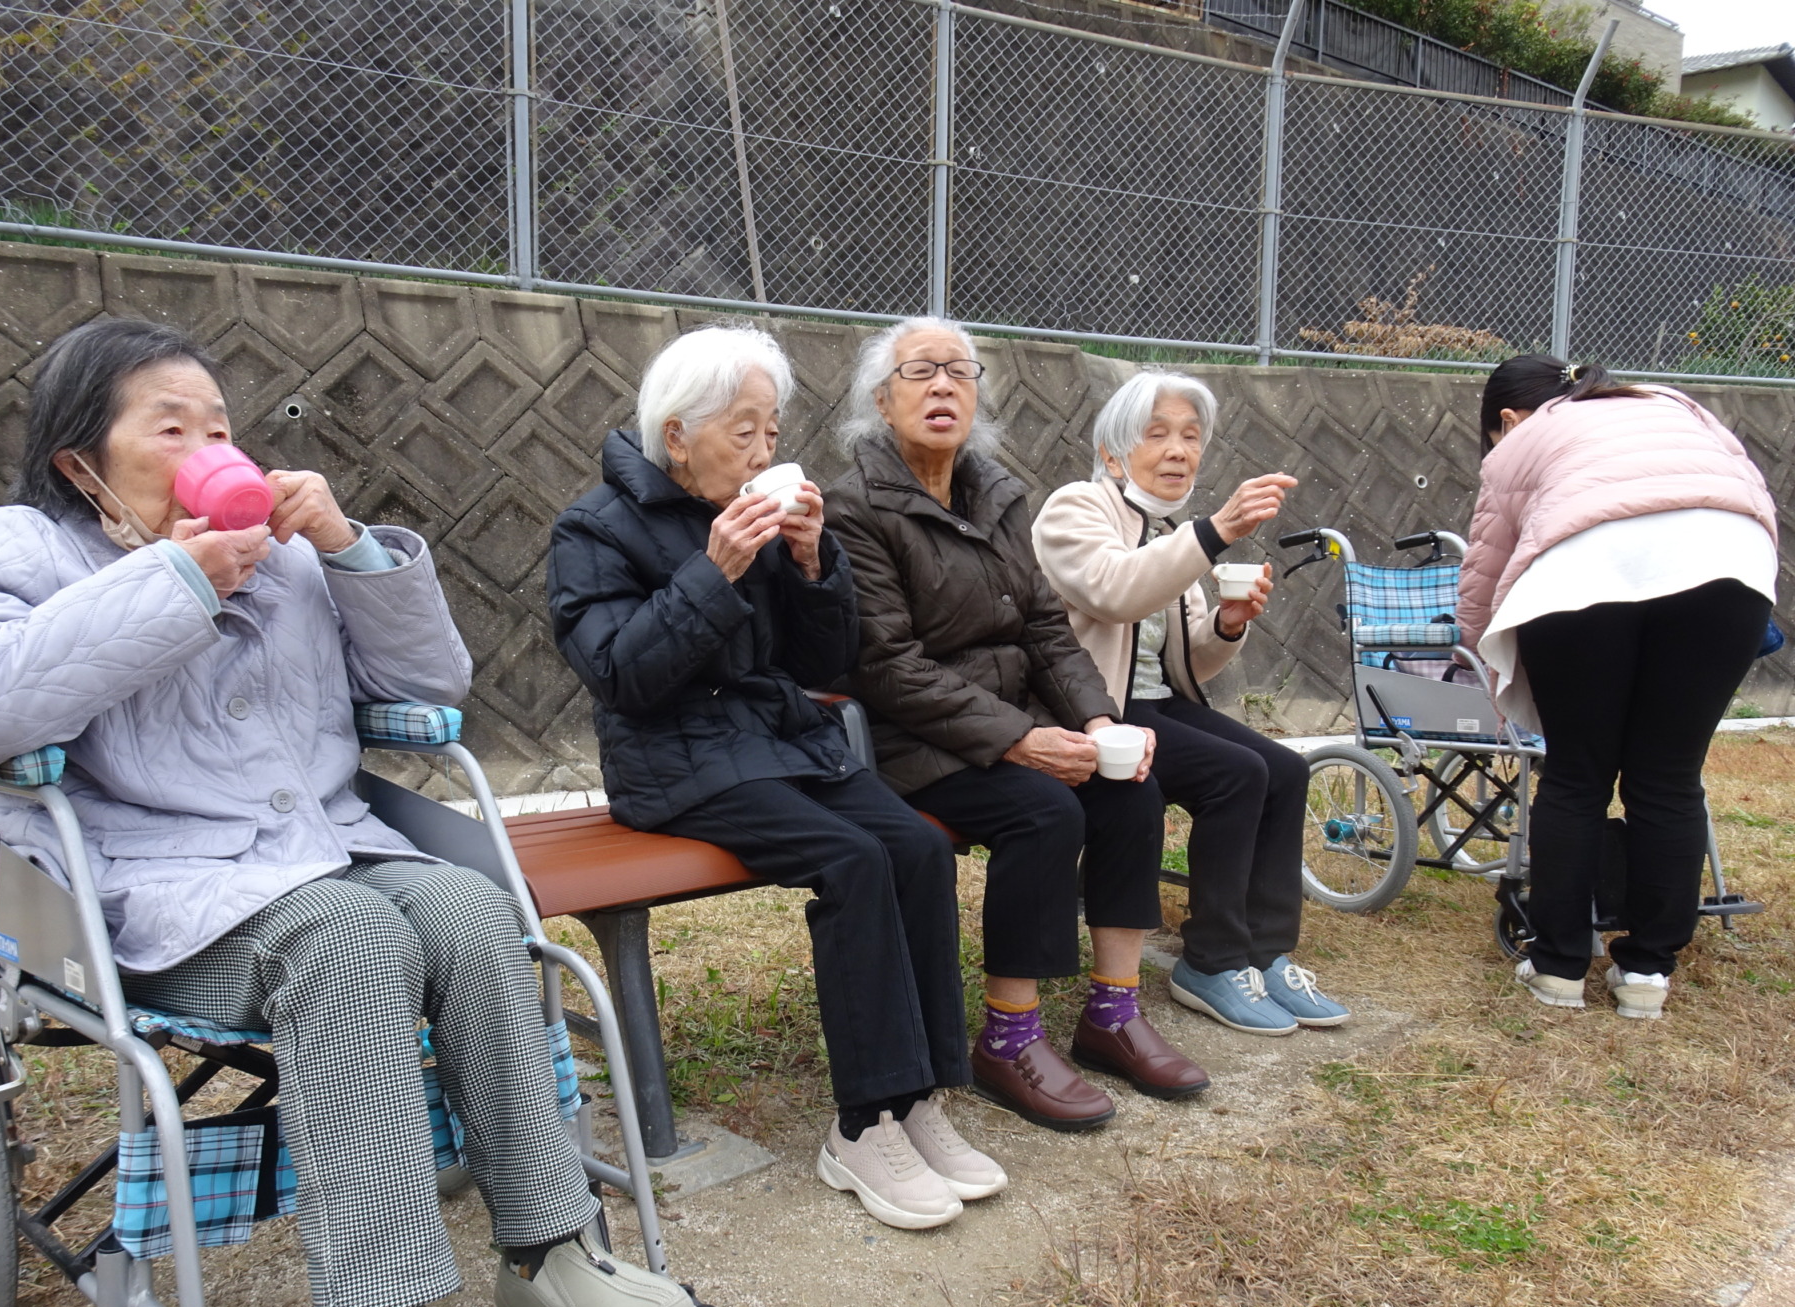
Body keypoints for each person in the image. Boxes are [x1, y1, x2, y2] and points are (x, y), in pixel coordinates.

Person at [0, 318, 698, 1307]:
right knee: (348, 935)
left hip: (323, 849)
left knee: (474, 912)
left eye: (218, 426)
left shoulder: (280, 556)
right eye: (167, 426)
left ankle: (549, 1252)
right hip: (149, 896)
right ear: (81, 458)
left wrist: (349, 552)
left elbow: (428, 691)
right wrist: (168, 579)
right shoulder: (21, 547)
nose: (205, 445)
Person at [547, 325, 1002, 1234]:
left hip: (778, 741)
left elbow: (824, 662)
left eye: (771, 430)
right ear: (677, 436)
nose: (764, 451)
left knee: (914, 845)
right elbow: (623, 678)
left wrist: (811, 565)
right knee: (851, 860)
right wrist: (712, 572)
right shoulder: (594, 527)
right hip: (672, 761)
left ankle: (920, 1102)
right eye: (742, 432)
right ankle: (864, 1124)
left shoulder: (757, 507)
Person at [826, 317, 1208, 1134]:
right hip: (911, 737)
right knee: (1046, 811)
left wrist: (1099, 722)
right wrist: (1019, 740)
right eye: (920, 372)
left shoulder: (996, 492)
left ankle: (1111, 1013)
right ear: (880, 400)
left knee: (1133, 791)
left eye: (960, 372)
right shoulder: (853, 508)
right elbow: (887, 665)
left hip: (1005, 721)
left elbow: (1045, 631)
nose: (942, 387)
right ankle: (1009, 1036)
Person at [1458, 354, 1777, 1020]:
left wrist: (1489, 661)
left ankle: (1558, 970)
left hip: (1581, 573)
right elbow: (1748, 494)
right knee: (1668, 777)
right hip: (1730, 567)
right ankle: (1645, 976)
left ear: (1506, 420)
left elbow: (1484, 572)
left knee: (1577, 775)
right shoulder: (1676, 405)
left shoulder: (1530, 436)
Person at [1033, 370, 1350, 1034]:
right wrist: (1214, 532)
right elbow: (1113, 591)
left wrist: (1230, 623)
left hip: (1153, 701)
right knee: (1238, 773)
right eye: (1159, 435)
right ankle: (1210, 960)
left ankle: (1265, 955)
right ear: (1114, 453)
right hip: (1092, 708)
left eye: (1191, 436)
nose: (1180, 450)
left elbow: (1189, 662)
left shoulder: (1171, 526)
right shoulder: (1076, 508)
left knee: (1287, 770)